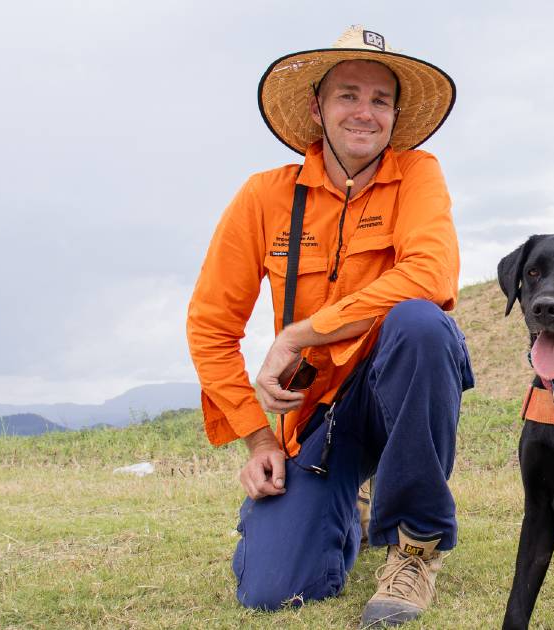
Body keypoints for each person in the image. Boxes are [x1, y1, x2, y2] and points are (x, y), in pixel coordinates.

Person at [186, 26, 473, 628]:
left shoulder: (419, 175)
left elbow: (431, 275)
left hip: (396, 391)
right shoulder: (263, 196)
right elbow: (210, 327)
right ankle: (347, 509)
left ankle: (416, 545)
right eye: (348, 95)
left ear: (395, 115)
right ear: (317, 108)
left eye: (380, 99)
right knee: (273, 591)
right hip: (316, 416)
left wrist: (297, 335)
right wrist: (259, 439)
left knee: (422, 325)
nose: (364, 112)